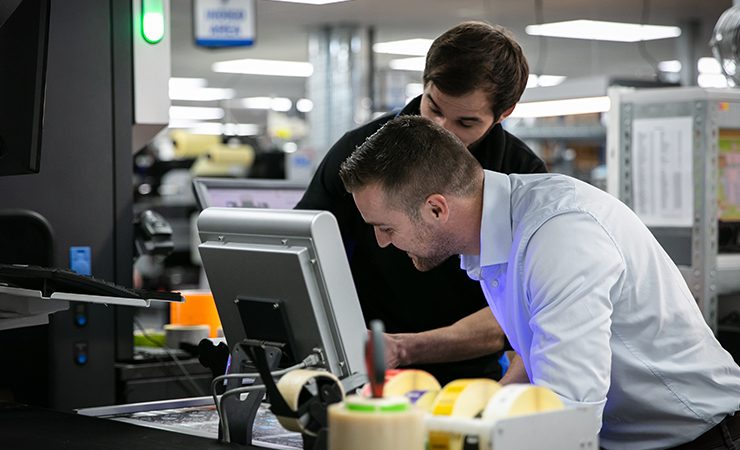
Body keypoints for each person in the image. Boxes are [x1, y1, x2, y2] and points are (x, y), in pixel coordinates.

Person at [338, 115, 740, 449]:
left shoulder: (558, 236)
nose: (382, 242)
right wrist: (476, 419)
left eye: (385, 227)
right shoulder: (493, 230)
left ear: (436, 209)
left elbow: (567, 415)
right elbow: (537, 357)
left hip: (699, 436)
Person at [296, 21, 546, 384]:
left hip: (468, 376)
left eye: (466, 122)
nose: (442, 130)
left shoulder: (521, 178)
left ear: (503, 114)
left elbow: (518, 311)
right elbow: (301, 253)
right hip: (362, 364)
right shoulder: (358, 153)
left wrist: (406, 347)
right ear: (424, 86)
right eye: (434, 108)